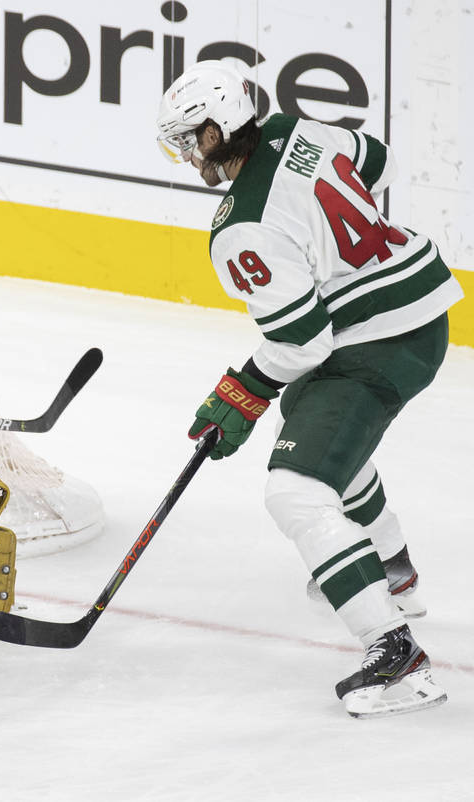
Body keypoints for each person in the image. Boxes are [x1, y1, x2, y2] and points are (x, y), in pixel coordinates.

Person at [156, 60, 461, 719]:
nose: (184, 154)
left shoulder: (241, 226)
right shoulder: (297, 129)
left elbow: (303, 342)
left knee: (294, 489)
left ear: (213, 133)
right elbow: (376, 161)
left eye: (186, 139)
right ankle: (394, 571)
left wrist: (239, 395)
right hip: (417, 304)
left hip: (378, 341)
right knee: (308, 419)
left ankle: (396, 656)